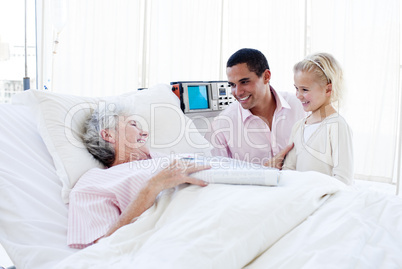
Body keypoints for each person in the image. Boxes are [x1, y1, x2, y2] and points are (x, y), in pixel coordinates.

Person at [67, 103, 210, 249]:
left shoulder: (160, 158)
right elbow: (101, 247)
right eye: (133, 124)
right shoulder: (93, 182)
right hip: (194, 225)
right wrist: (152, 187)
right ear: (108, 135)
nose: (145, 133)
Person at [209, 48, 306, 167]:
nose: (237, 92)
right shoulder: (221, 125)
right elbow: (218, 175)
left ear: (266, 76)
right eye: (232, 85)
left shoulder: (300, 106)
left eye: (244, 82)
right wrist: (263, 172)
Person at [282, 52, 354, 184]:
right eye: (296, 88)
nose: (298, 95)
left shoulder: (337, 126)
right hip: (300, 197)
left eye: (305, 89)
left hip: (324, 201)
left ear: (328, 89)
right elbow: (288, 170)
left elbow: (343, 179)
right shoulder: (298, 126)